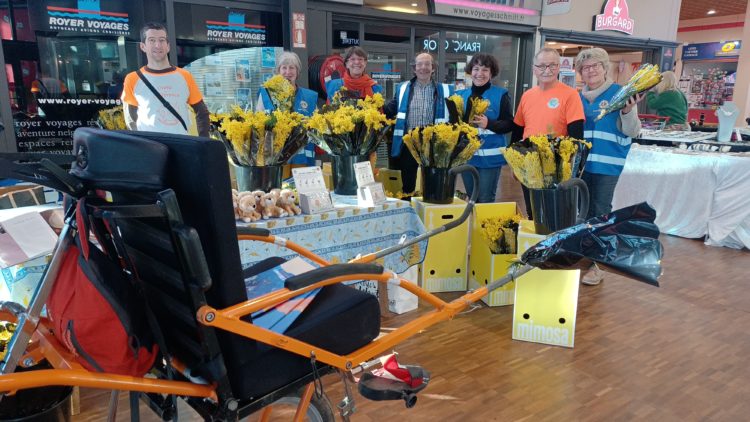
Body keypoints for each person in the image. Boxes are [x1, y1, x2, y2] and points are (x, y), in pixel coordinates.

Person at [575, 47, 644, 286]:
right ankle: (586, 253)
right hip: (581, 166)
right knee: (582, 211)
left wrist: (627, 110)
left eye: (595, 65)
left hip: (607, 165)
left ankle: (599, 264)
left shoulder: (621, 94)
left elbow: (632, 131)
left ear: (605, 68)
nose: (590, 70)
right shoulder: (577, 97)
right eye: (585, 67)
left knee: (600, 212)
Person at [512, 47, 585, 217]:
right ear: (534, 69)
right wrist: (515, 165)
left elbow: (576, 137)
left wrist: (568, 169)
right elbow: (518, 131)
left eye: (552, 65)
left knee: (554, 215)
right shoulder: (527, 95)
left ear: (559, 67)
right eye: (542, 66)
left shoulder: (570, 95)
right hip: (529, 164)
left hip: (556, 168)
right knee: (532, 212)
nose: (547, 70)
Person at [121, 22, 209, 137]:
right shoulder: (132, 79)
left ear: (168, 46)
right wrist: (140, 142)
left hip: (180, 143)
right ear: (143, 46)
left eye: (162, 40)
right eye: (152, 40)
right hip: (150, 145)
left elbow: (202, 112)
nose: (158, 45)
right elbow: (130, 118)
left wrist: (203, 141)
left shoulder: (185, 76)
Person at [384, 52, 453, 195]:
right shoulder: (403, 88)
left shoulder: (444, 90)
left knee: (432, 184)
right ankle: (408, 204)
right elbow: (390, 110)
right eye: (419, 64)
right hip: (409, 143)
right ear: (414, 68)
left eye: (427, 64)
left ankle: (429, 205)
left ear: (433, 68)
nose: (423, 67)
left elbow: (454, 115)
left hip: (433, 144)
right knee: (407, 184)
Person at [455, 54, 514, 203]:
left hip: (490, 159)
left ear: (491, 73)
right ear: (470, 71)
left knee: (485, 199)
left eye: (485, 70)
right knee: (472, 199)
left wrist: (489, 124)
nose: (479, 73)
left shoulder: (501, 95)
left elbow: (509, 124)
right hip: (467, 157)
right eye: (476, 69)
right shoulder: (460, 95)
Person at [256, 51, 319, 166]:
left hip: (302, 160)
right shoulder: (266, 94)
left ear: (297, 72)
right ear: (278, 71)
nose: (288, 72)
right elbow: (258, 126)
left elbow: (317, 128)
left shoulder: (309, 97)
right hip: (274, 158)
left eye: (292, 68)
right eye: (284, 68)